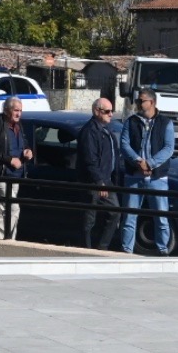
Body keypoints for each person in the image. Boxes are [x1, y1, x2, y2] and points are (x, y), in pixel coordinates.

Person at [119, 90, 176, 256]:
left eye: (141, 101)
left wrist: (150, 163)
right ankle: (126, 251)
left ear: (152, 102)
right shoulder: (131, 122)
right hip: (134, 176)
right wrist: (138, 161)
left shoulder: (165, 123)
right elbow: (124, 145)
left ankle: (163, 251)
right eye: (138, 101)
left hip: (157, 178)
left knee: (161, 217)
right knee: (129, 217)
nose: (138, 103)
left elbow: (168, 148)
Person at [0, 96, 34, 240]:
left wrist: (27, 151)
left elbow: (23, 143)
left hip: (14, 175)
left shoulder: (18, 125)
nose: (19, 114)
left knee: (2, 209)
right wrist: (9, 160)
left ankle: (2, 240)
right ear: (6, 110)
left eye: (20, 111)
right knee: (13, 207)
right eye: (16, 110)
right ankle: (2, 241)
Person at [78, 96, 124, 250]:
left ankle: (102, 247)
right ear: (97, 111)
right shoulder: (89, 131)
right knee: (89, 220)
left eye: (112, 111)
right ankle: (86, 250)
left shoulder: (106, 130)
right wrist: (99, 182)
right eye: (107, 111)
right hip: (94, 183)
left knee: (115, 212)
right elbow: (90, 160)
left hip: (107, 181)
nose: (111, 114)